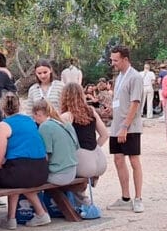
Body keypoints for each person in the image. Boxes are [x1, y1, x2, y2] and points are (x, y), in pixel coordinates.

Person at [0, 93, 54, 228]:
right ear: (19, 106)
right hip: (41, 171)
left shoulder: (4, 125)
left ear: (1, 108)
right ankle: (24, 217)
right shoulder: (30, 121)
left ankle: (12, 218)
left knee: (10, 175)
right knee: (17, 177)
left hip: (21, 173)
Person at [107, 45, 145, 212]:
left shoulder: (135, 77)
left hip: (130, 126)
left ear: (125, 59)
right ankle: (125, 197)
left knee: (134, 160)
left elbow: (135, 103)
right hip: (116, 125)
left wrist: (125, 127)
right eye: (112, 60)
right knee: (118, 159)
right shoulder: (119, 77)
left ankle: (138, 198)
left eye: (116, 60)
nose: (113, 63)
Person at [59, 82, 108, 181]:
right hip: (99, 160)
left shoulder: (66, 116)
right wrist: (95, 147)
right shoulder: (91, 111)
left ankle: (79, 196)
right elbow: (105, 135)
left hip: (83, 161)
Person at [32, 100, 79, 189]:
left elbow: (46, 156)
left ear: (38, 114)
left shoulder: (45, 126)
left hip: (59, 174)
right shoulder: (65, 123)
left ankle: (30, 202)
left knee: (26, 178)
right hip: (72, 171)